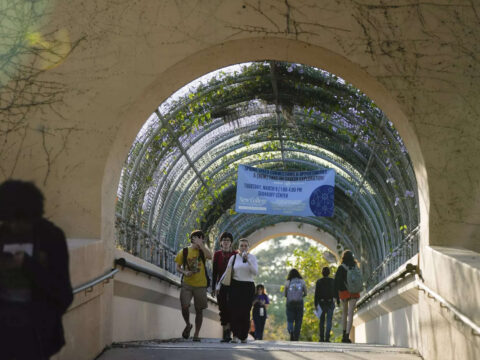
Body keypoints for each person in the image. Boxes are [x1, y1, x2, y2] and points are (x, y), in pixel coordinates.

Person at [0, 180, 73, 360]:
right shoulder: (3, 235)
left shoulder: (51, 238)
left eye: (19, 220)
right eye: (8, 221)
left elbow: (63, 293)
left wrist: (27, 265)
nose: (13, 226)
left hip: (35, 333)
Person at [175, 229, 212, 342]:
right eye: (197, 238)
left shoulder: (202, 251)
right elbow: (178, 267)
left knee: (199, 310)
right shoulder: (184, 251)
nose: (199, 240)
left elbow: (210, 256)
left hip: (201, 285)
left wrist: (202, 246)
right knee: (184, 305)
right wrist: (185, 272)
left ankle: (196, 334)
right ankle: (188, 324)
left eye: (201, 238)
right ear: (192, 239)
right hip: (187, 283)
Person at [227, 238, 258, 343]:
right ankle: (235, 335)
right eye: (241, 246)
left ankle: (244, 335)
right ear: (238, 247)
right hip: (236, 285)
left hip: (248, 286)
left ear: (248, 247)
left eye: (245, 246)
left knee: (245, 311)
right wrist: (218, 286)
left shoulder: (252, 258)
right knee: (235, 310)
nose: (243, 247)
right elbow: (227, 272)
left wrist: (247, 260)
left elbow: (255, 272)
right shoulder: (234, 258)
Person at [211, 231, 237, 342]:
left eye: (228, 240)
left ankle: (229, 332)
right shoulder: (217, 254)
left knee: (231, 308)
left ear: (231, 243)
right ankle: (225, 332)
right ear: (221, 243)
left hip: (232, 286)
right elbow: (214, 272)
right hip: (220, 286)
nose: (226, 242)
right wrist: (213, 288)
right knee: (223, 309)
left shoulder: (235, 254)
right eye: (224, 240)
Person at [334, 250, 361, 343]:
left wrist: (337, 296)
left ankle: (343, 334)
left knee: (344, 313)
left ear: (343, 257)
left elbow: (336, 282)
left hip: (344, 292)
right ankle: (347, 335)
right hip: (354, 292)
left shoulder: (341, 268)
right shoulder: (355, 267)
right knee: (351, 314)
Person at [314, 266, 338, 342]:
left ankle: (321, 338)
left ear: (322, 273)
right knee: (329, 321)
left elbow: (316, 294)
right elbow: (336, 293)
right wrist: (336, 301)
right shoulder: (333, 281)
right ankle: (327, 338)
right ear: (329, 273)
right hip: (330, 303)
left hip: (321, 303)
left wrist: (315, 304)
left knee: (321, 321)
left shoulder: (319, 281)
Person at [284, 268, 307, 341]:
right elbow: (305, 293)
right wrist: (301, 296)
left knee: (290, 319)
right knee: (298, 320)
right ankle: (296, 335)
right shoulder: (302, 281)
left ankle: (291, 332)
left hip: (290, 303)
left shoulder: (288, 282)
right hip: (299, 303)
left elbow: (285, 294)